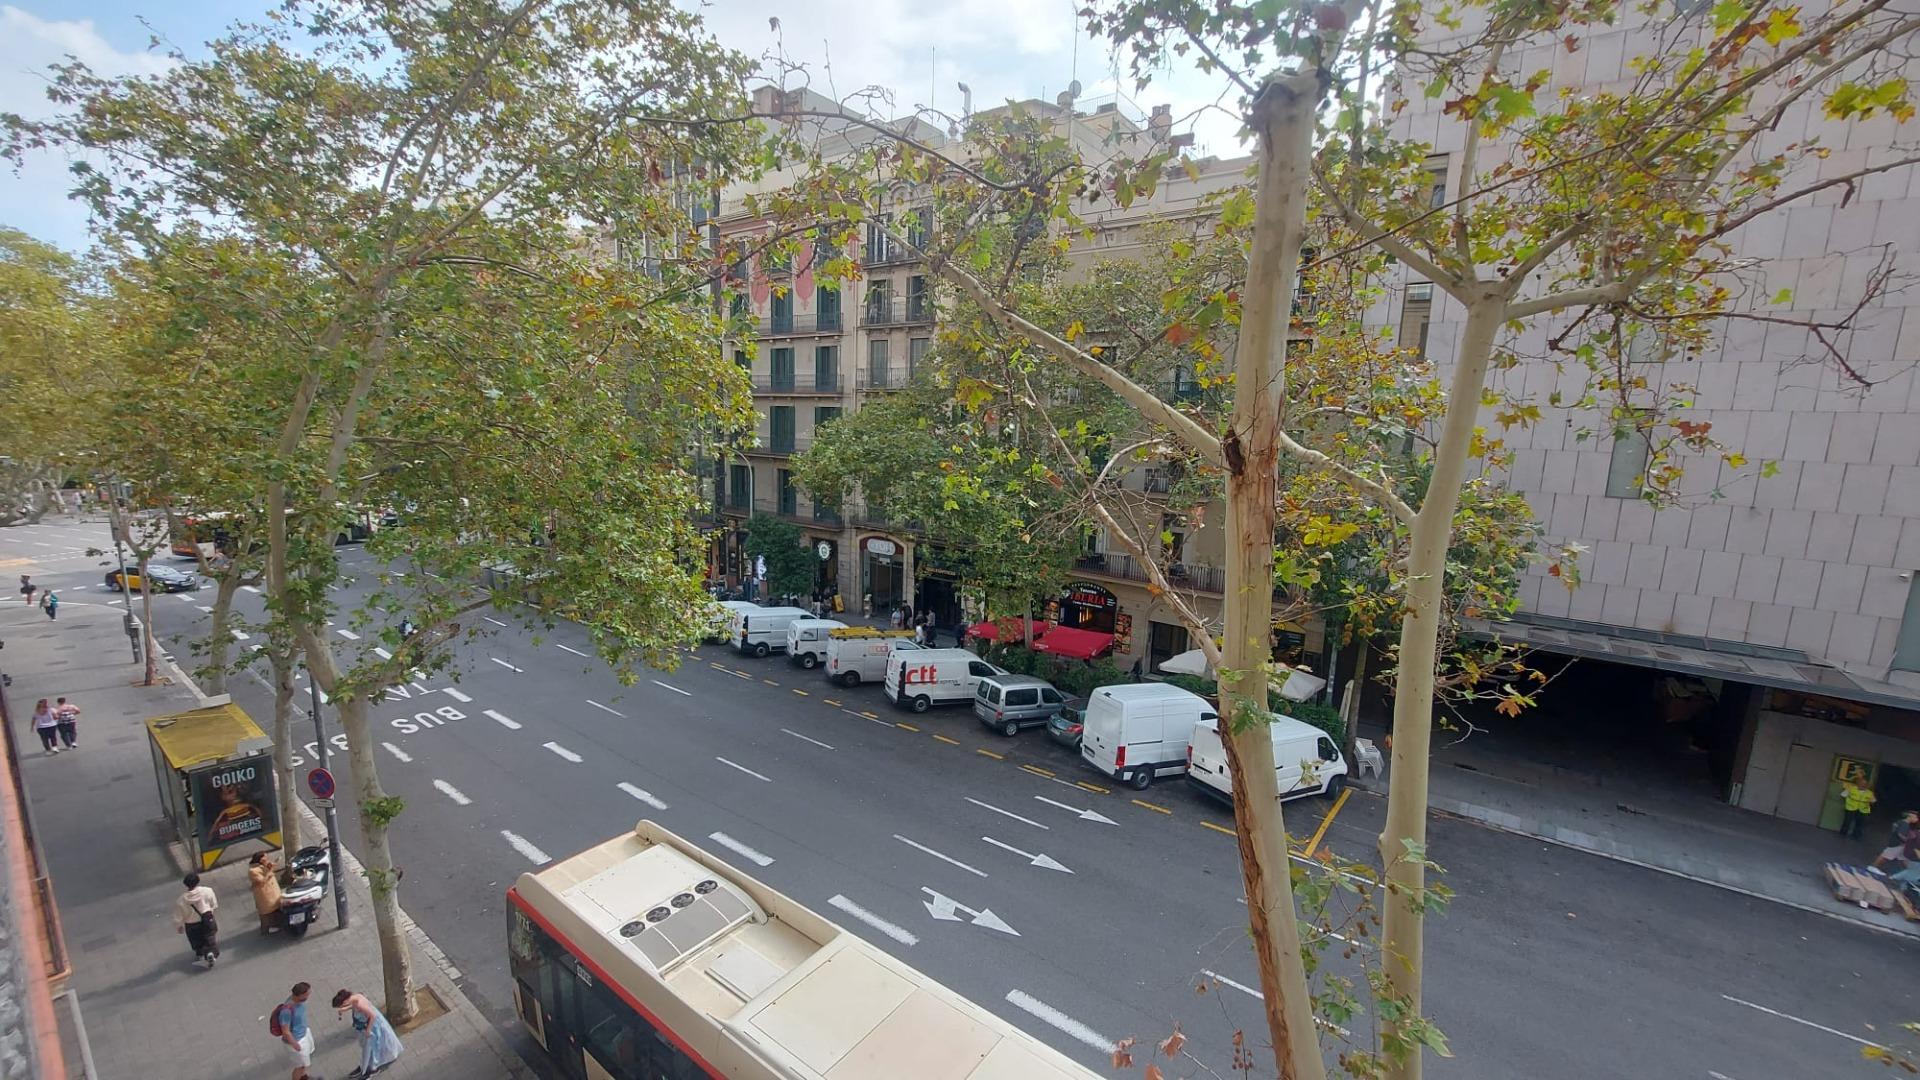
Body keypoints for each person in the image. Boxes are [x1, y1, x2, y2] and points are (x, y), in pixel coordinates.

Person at [333, 988, 405, 1077]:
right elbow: (355, 1005)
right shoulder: (355, 997)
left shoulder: (359, 1004)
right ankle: (366, 1066)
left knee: (371, 1047)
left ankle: (373, 1068)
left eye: (341, 1005)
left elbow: (372, 1015)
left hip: (371, 1026)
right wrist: (345, 1009)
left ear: (344, 1001)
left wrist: (368, 1030)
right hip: (370, 1024)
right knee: (372, 1046)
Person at [174, 872, 220, 967]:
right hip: (207, 919)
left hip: (191, 924)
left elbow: (178, 916)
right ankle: (211, 953)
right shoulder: (207, 891)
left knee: (197, 941)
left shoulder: (181, 900)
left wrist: (179, 926)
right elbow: (214, 904)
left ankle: (202, 953)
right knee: (210, 937)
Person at [275, 982, 318, 1080]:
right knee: (300, 1066)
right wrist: (295, 1044)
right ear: (300, 995)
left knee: (305, 1062)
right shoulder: (286, 1011)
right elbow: (285, 1031)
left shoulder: (299, 1001)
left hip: (304, 1033)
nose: (308, 996)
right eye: (307, 994)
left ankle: (303, 1076)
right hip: (297, 1040)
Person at [249, 852, 283, 934]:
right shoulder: (253, 871)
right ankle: (268, 928)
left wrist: (270, 866)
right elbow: (262, 881)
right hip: (265, 893)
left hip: (273, 891)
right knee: (268, 911)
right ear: (260, 859)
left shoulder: (264, 865)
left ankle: (277, 924)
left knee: (276, 908)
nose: (267, 859)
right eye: (265, 857)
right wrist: (270, 871)